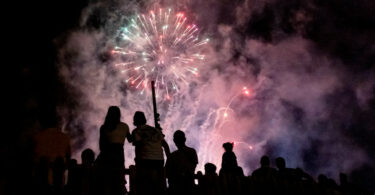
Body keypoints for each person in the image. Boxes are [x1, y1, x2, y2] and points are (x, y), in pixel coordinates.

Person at [94, 106, 131, 195]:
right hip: (119, 155)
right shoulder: (124, 126)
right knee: (118, 179)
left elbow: (101, 146)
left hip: (107, 155)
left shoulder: (104, 127)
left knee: (107, 180)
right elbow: (131, 139)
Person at [131, 111, 170, 195]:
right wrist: (168, 159)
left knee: (145, 186)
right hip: (159, 159)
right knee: (158, 186)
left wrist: (137, 161)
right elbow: (165, 145)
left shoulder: (136, 131)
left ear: (135, 120)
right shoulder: (155, 130)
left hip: (145, 159)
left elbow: (138, 146)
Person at [165, 130, 198, 195]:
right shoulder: (191, 151)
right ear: (185, 139)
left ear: (174, 141)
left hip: (181, 185)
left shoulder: (172, 156)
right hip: (181, 185)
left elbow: (167, 172)